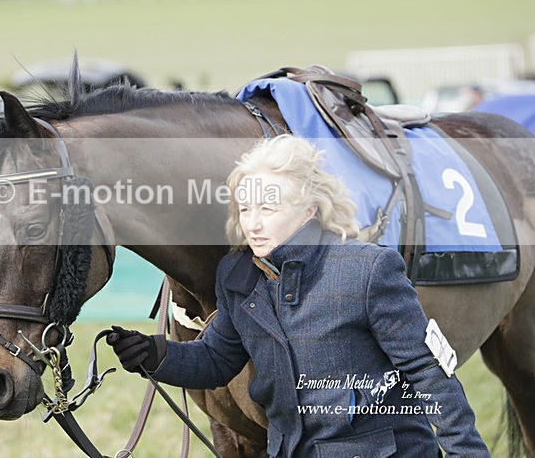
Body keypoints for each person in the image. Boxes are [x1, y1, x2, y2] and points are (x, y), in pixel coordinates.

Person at [107, 135, 489, 457]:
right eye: (244, 209)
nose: (252, 223)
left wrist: (466, 452)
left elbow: (429, 372)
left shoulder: (369, 271)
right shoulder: (239, 277)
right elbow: (216, 357)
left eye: (268, 208)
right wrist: (156, 354)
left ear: (310, 211)